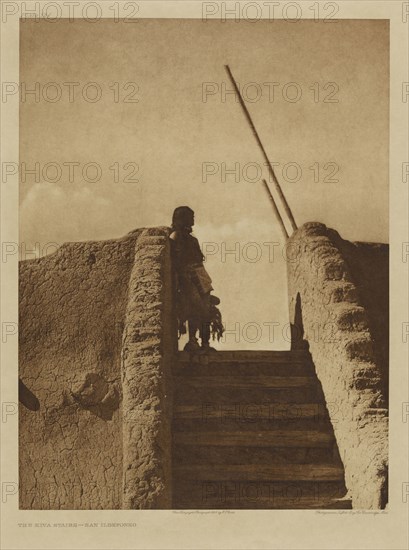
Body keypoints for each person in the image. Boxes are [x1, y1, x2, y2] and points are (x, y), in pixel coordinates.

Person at [169, 206, 223, 352]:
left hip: (200, 276)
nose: (193, 220)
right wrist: (183, 278)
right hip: (187, 277)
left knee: (206, 309)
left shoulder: (193, 240)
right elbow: (176, 261)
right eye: (190, 217)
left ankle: (205, 344)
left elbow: (198, 260)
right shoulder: (176, 236)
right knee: (195, 308)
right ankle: (192, 341)